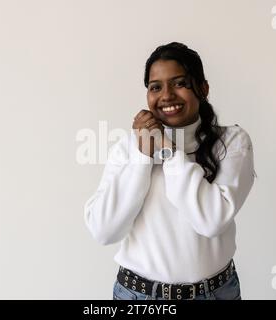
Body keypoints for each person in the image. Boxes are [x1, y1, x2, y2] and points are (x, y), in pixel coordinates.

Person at [84, 42, 256, 300]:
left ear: (203, 88)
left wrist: (167, 149)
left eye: (180, 83)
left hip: (214, 294)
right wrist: (142, 156)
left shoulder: (231, 142)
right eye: (156, 87)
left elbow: (211, 221)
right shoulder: (129, 146)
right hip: (138, 296)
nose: (166, 96)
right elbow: (104, 230)